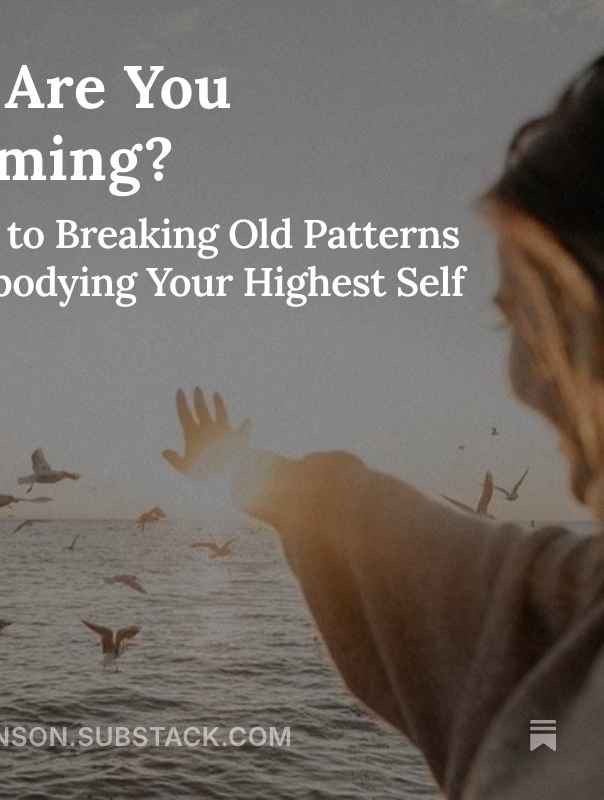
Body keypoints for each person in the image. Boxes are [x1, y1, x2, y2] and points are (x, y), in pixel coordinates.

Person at [162, 54, 604, 800]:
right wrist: (243, 470)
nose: (525, 382)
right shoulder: (571, 630)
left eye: (548, 317)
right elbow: (395, 538)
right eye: (510, 327)